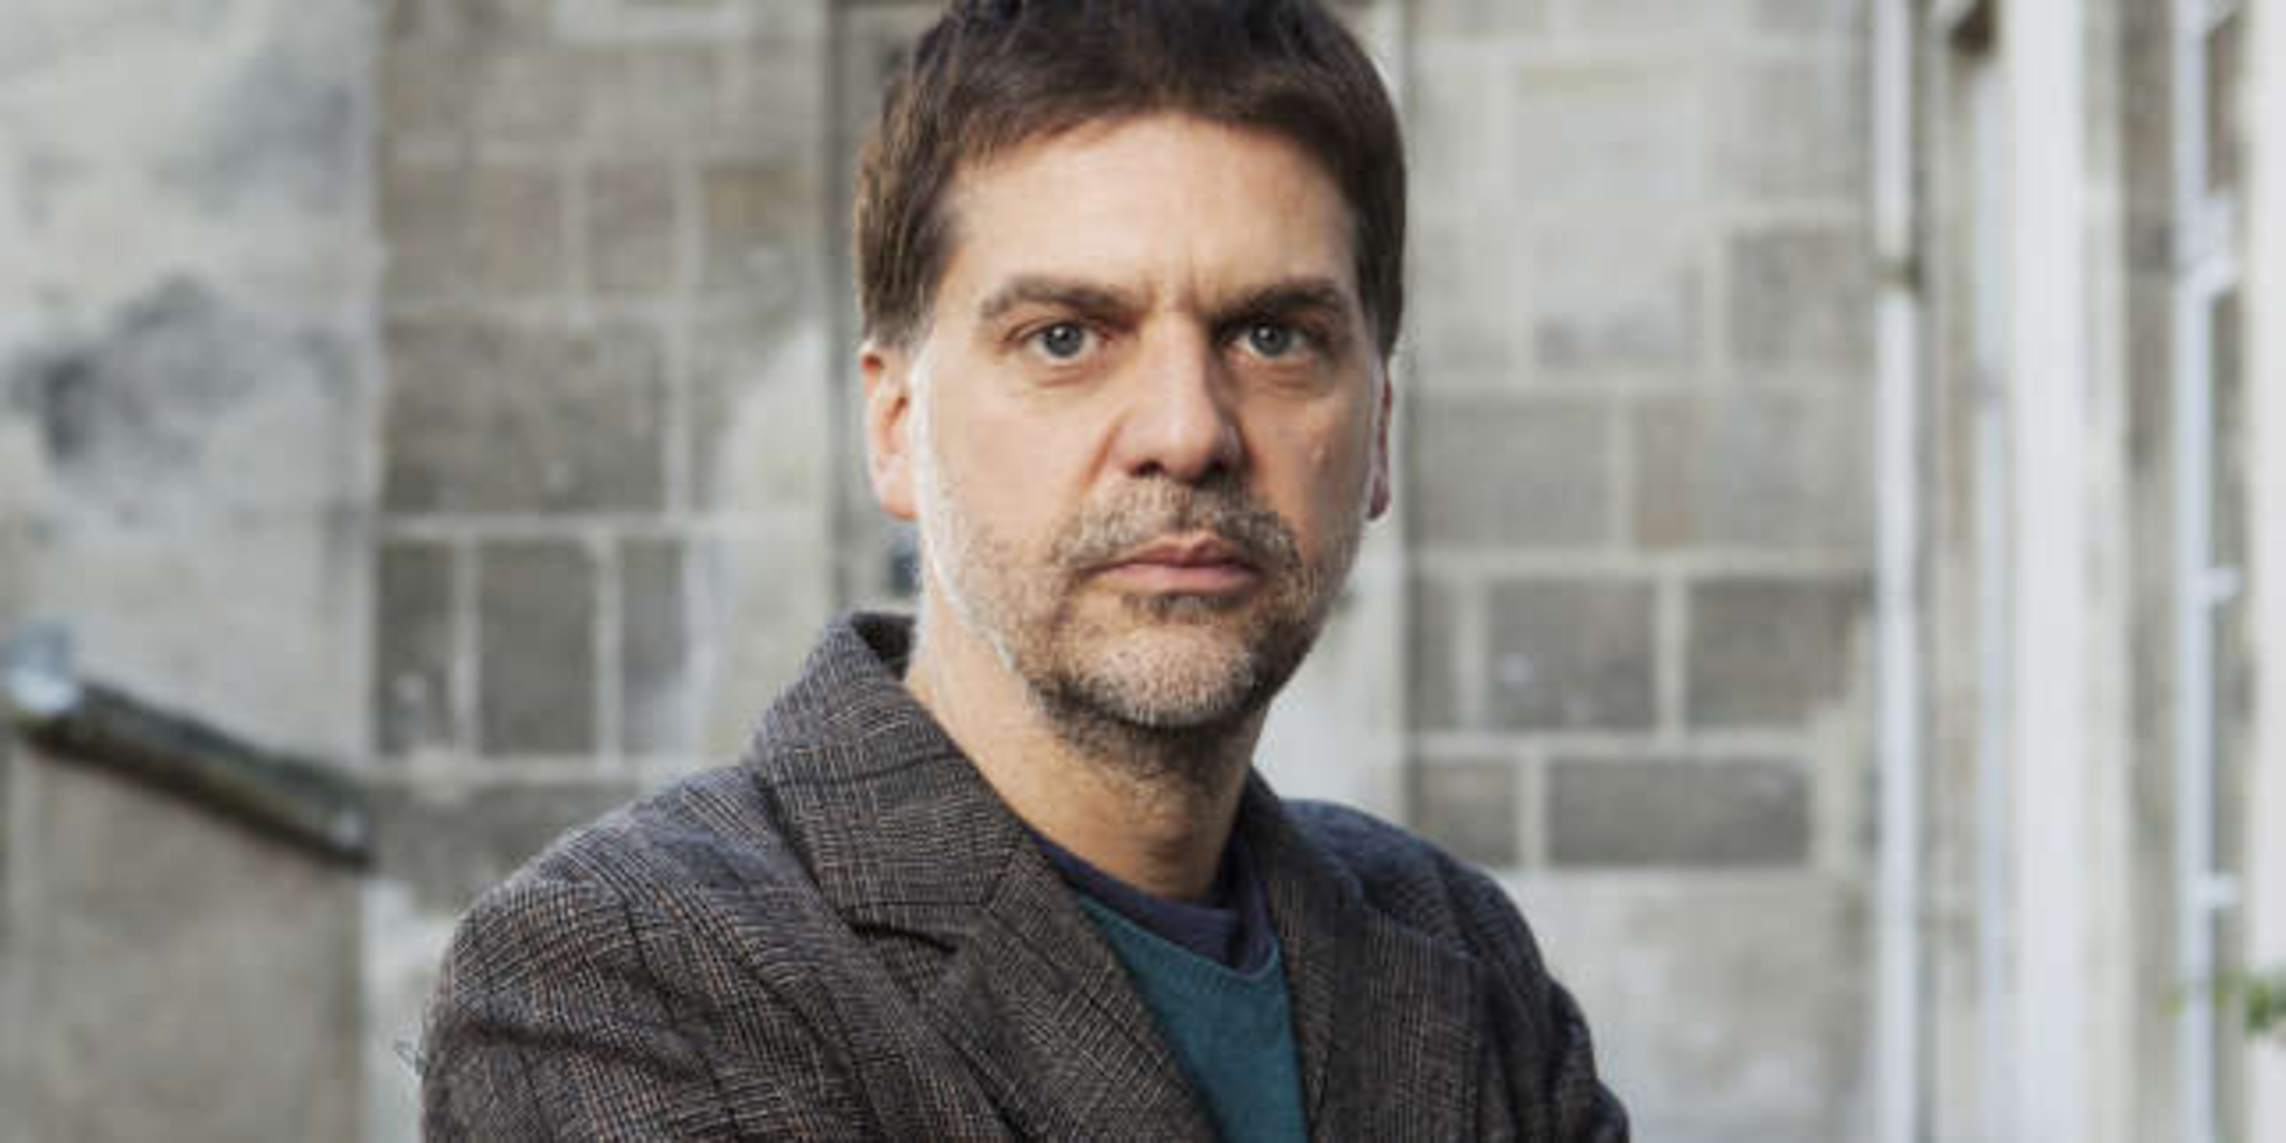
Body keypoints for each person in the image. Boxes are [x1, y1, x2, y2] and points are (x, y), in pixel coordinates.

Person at [420, 1, 1627, 1138]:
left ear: (1381, 431)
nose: (1187, 431)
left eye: (1273, 336)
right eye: (1065, 338)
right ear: (896, 427)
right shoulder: (622, 974)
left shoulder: (1465, 961)